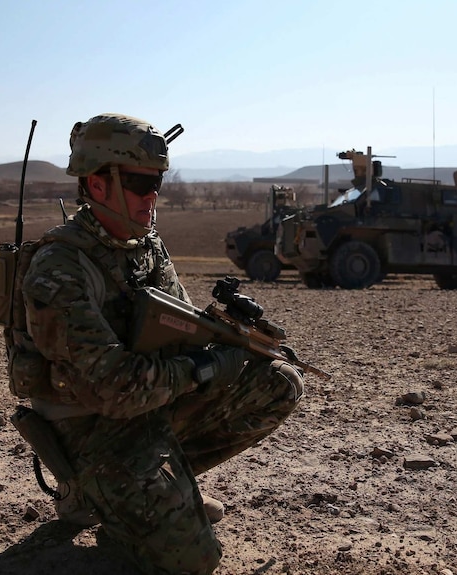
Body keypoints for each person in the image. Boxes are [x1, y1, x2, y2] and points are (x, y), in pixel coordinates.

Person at [19, 113, 305, 574]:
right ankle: (92, 493)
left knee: (278, 382)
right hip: (92, 432)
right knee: (192, 563)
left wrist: (237, 345)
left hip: (147, 410)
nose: (151, 195)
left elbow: (183, 331)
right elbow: (111, 389)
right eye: (137, 182)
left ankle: (167, 490)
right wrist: (207, 370)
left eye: (157, 182)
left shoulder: (145, 246)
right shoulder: (61, 268)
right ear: (96, 185)